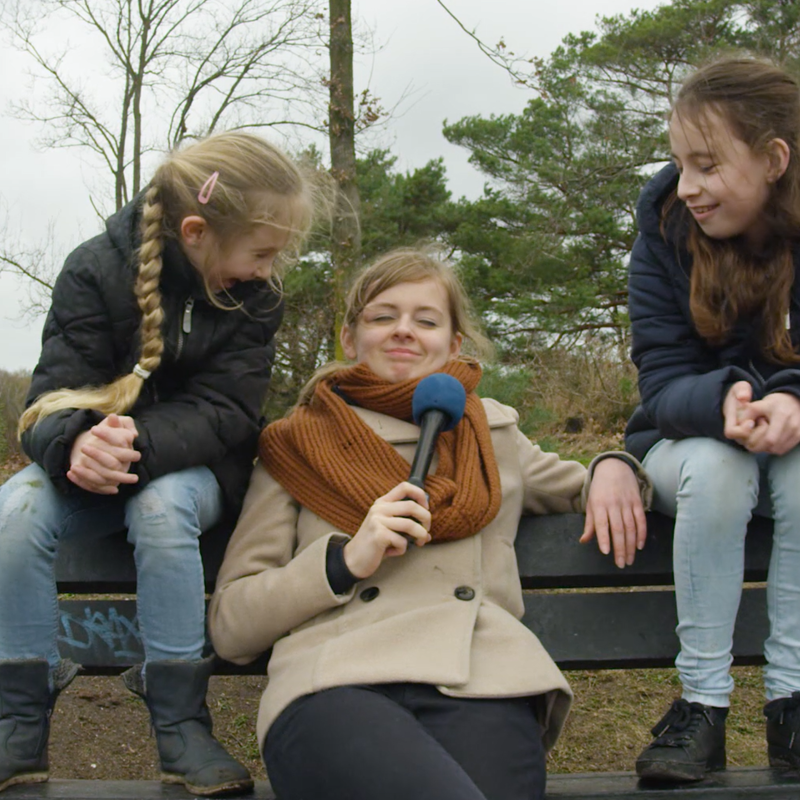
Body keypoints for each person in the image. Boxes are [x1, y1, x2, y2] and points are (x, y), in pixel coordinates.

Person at [208, 247, 651, 800]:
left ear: (453, 343)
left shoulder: (494, 436)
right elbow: (231, 625)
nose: (404, 332)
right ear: (349, 337)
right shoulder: (296, 446)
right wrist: (343, 561)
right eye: (382, 316)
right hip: (334, 685)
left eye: (426, 320)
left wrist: (612, 465)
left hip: (483, 680)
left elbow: (585, 487)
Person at [0, 131, 317, 796]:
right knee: (15, 510)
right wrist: (77, 441)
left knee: (161, 504)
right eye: (263, 251)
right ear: (197, 231)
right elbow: (49, 397)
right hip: (92, 468)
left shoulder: (254, 298)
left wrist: (135, 446)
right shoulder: (94, 270)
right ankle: (19, 719)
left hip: (194, 473)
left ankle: (179, 724)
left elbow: (226, 411)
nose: (268, 267)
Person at [625, 56, 800, 783]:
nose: (687, 186)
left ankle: (792, 701)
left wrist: (792, 399)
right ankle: (702, 705)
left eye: (706, 165)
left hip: (794, 449)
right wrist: (724, 400)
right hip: (686, 443)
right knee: (722, 466)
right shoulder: (664, 229)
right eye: (678, 163)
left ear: (773, 160)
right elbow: (661, 382)